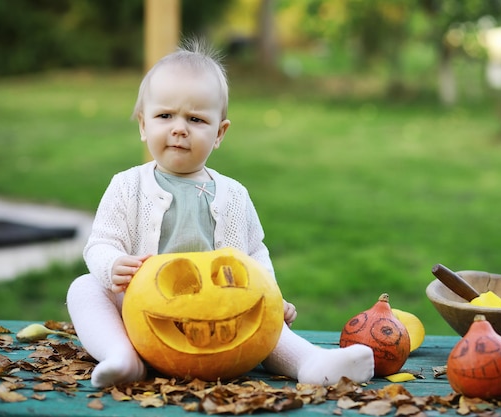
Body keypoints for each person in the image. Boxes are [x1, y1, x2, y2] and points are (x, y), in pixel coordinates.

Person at [66, 39, 374, 388]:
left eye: (195, 119)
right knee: (84, 288)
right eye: (165, 116)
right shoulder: (127, 186)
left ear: (219, 133)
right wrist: (112, 265)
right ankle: (121, 357)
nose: (179, 128)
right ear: (143, 124)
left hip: (219, 314)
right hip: (142, 316)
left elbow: (255, 254)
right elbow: (100, 243)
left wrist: (271, 294)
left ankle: (312, 362)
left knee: (258, 317)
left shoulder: (233, 195)